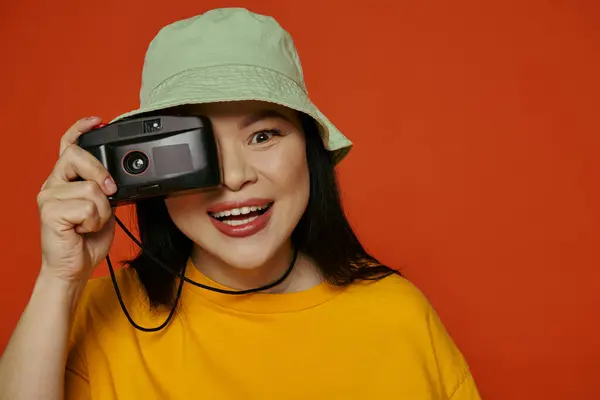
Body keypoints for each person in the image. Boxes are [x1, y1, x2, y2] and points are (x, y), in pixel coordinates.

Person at [0, 7, 481, 400]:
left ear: (310, 152)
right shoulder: (99, 314)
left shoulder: (398, 316)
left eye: (263, 135)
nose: (233, 177)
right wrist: (59, 280)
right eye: (198, 147)